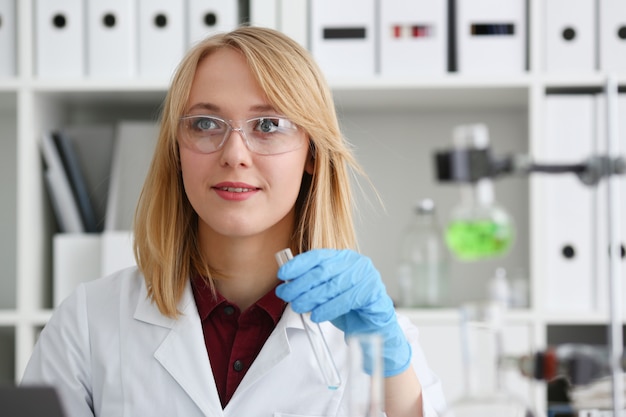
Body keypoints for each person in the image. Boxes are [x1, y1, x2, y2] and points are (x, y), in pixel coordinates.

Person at [21, 26, 446, 416]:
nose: (234, 153)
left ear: (312, 154)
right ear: (176, 151)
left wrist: (393, 373)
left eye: (268, 124)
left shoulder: (377, 341)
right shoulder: (90, 321)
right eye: (205, 123)